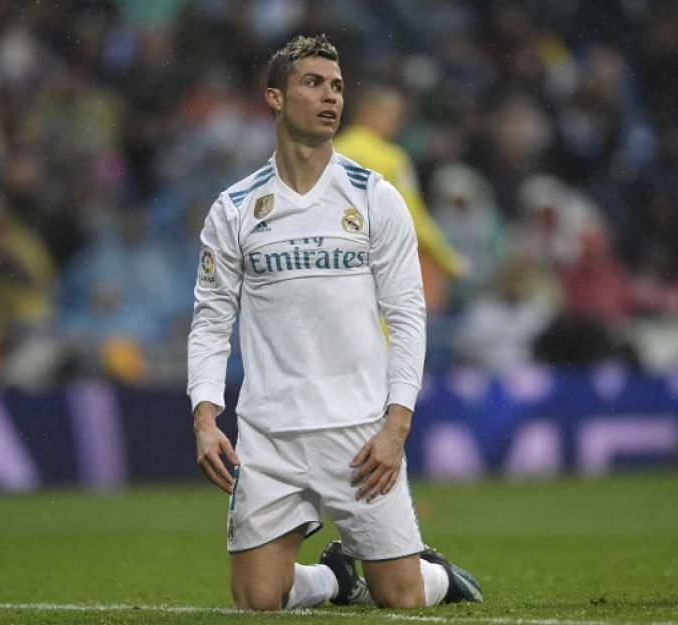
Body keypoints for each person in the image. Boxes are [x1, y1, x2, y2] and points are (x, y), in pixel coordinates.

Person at [187, 34, 483, 611]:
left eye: (338, 87)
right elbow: (210, 320)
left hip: (359, 432)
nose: (330, 97)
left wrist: (396, 426)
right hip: (269, 433)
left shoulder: (375, 197)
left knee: (402, 598)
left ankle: (438, 577)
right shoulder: (235, 208)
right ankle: (336, 581)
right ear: (274, 97)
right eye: (313, 83)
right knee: (257, 598)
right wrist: (205, 417)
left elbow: (407, 315)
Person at [334, 83, 468, 310]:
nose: (397, 122)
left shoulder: (333, 150)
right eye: (393, 114)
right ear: (370, 111)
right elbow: (412, 217)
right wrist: (450, 261)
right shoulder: (391, 159)